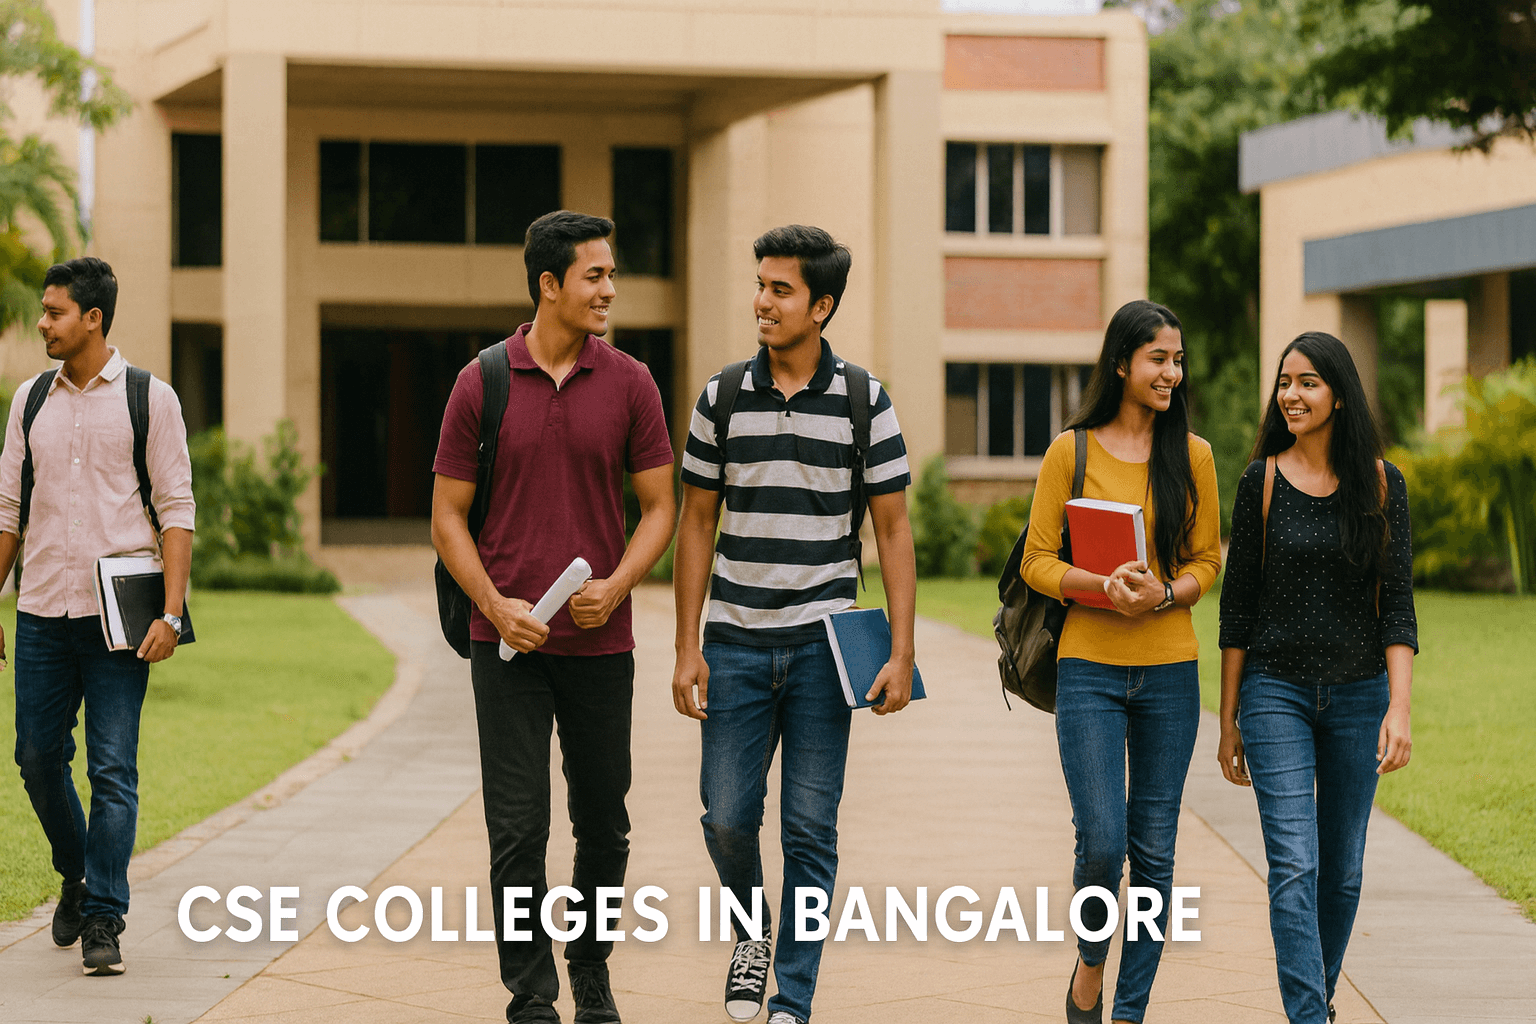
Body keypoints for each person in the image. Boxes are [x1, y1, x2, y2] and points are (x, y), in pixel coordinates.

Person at [431, 210, 676, 1024]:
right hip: (506, 650)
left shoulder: (632, 382)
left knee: (604, 823)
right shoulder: (483, 381)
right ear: (549, 284)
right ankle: (531, 995)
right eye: (594, 275)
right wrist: (494, 606)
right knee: (519, 830)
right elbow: (447, 518)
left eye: (611, 273)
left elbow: (658, 509)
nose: (610, 288)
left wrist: (617, 582)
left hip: (603, 646)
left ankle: (592, 965)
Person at [671, 225, 917, 1024]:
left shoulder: (863, 400)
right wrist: (686, 647)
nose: (761, 302)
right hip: (735, 646)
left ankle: (793, 999)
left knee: (810, 829)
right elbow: (697, 523)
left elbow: (893, 531)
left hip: (822, 653)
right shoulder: (721, 397)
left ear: (822, 305)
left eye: (780, 290)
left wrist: (902, 652)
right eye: (760, 285)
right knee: (728, 817)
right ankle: (753, 929)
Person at [1018, 299, 1222, 1024]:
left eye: (1177, 360)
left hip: (1170, 670)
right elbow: (1038, 559)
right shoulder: (1069, 452)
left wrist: (1164, 594)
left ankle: (1128, 1012)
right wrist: (1099, 587)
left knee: (1156, 852)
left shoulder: (1192, 455)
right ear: (1121, 364)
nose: (1172, 372)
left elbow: (1207, 560)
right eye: (1158, 358)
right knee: (1103, 843)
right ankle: (1090, 969)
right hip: (1090, 667)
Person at [0, 257, 196, 976]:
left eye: (55, 312)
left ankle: (104, 916)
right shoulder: (29, 400)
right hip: (42, 610)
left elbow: (176, 511)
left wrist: (170, 616)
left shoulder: (151, 398)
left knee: (114, 769)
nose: (43, 323)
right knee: (35, 759)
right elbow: (6, 510)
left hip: (120, 618)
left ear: (93, 318)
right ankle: (76, 875)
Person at [1217, 331, 1415, 1024]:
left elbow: (1397, 607)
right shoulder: (1260, 481)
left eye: (1307, 383)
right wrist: (1228, 719)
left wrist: (1400, 708)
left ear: (1339, 395)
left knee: (1343, 872)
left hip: (1361, 697)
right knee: (1295, 864)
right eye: (1284, 383)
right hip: (1277, 694)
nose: (1291, 395)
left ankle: (1317, 1001)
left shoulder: (1385, 487)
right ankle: (1309, 1017)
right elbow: (1236, 608)